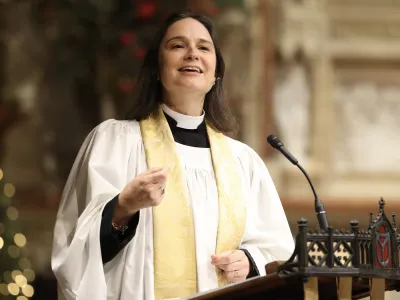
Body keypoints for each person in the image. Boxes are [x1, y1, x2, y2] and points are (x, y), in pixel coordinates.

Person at [51, 11, 295, 300]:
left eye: (204, 47)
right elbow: (73, 253)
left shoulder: (243, 162)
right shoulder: (116, 143)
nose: (192, 54)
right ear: (157, 68)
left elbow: (280, 252)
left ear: (216, 73)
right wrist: (123, 207)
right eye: (178, 46)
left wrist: (250, 261)